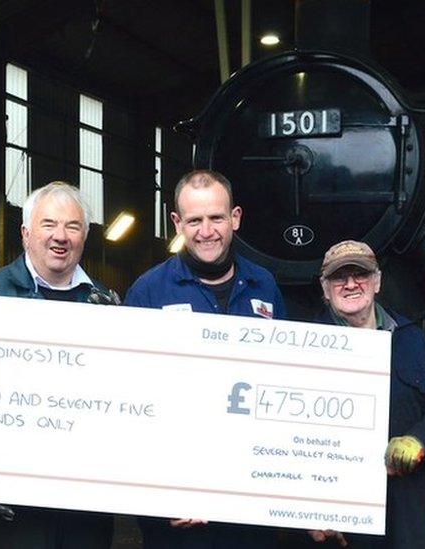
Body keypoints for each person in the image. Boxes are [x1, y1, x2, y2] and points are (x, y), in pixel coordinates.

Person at [124, 169, 283, 549]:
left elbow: (282, 381)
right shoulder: (148, 292)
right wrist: (164, 490)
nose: (206, 230)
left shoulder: (265, 285)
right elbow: (128, 399)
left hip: (249, 498)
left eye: (216, 217)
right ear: (177, 223)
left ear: (236, 218)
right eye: (194, 220)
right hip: (177, 507)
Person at [0, 181, 117, 549]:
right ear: (25, 233)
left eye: (72, 226)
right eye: (48, 224)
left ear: (85, 236)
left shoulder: (108, 305)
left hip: (84, 506)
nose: (60, 237)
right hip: (13, 506)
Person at [306, 240, 425, 548]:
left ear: (376, 282)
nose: (350, 284)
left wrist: (420, 447)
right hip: (339, 516)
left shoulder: (416, 343)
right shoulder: (305, 347)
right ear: (325, 289)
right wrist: (307, 510)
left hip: (407, 506)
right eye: (339, 277)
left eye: (360, 274)